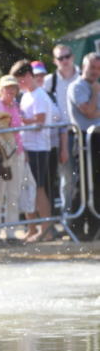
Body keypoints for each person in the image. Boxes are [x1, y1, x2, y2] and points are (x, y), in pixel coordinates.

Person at [11, 59, 55, 241]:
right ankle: (32, 228)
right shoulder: (27, 95)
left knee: (39, 189)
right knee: (27, 189)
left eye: (20, 80)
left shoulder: (40, 95)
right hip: (27, 147)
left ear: (28, 76)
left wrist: (19, 120)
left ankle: (46, 230)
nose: (19, 85)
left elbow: (39, 121)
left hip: (38, 148)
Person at [0, 75, 26, 242]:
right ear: (1, 89)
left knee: (13, 194)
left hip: (16, 153)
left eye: (13, 88)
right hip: (0, 155)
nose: (10, 91)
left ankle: (11, 233)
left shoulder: (16, 106)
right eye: (7, 88)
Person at [67, 52, 100, 239]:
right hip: (85, 141)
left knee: (97, 185)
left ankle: (96, 229)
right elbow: (87, 111)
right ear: (83, 66)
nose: (95, 71)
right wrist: (95, 93)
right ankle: (77, 229)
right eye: (92, 67)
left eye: (98, 68)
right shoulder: (77, 86)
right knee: (82, 184)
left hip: (97, 139)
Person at [44, 44, 80, 214]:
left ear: (72, 57)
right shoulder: (50, 82)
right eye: (60, 58)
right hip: (62, 136)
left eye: (67, 56)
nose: (65, 60)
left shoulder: (83, 76)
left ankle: (88, 218)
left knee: (89, 177)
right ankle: (68, 218)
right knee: (67, 178)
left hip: (85, 133)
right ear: (55, 61)